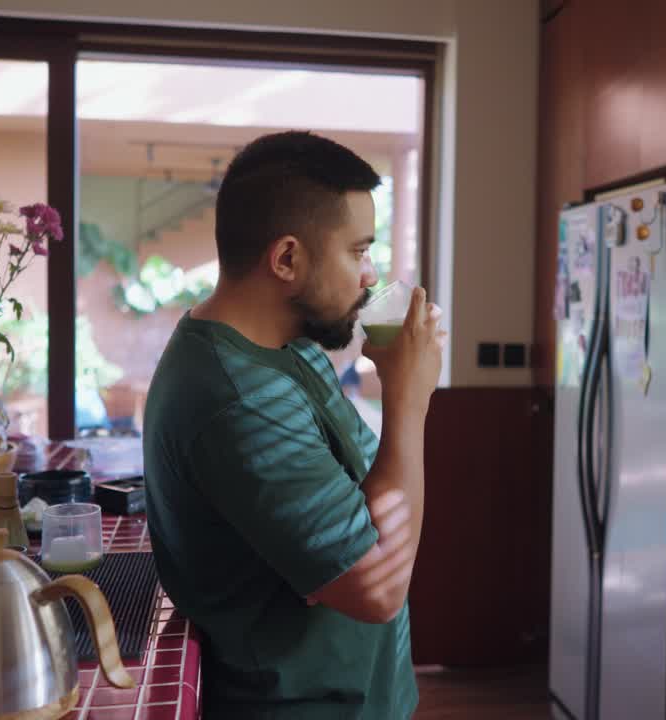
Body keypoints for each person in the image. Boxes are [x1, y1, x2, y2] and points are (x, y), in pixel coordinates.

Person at [143, 130, 444, 719]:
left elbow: (364, 501)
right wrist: (408, 399)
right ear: (286, 258)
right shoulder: (237, 398)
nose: (370, 273)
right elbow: (376, 587)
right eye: (358, 251)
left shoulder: (291, 350)